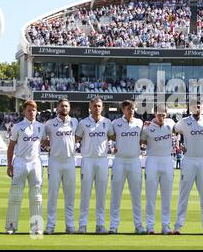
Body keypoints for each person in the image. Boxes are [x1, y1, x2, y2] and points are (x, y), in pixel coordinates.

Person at [173, 102, 203, 235]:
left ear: (201, 108)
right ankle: (178, 226)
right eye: (194, 106)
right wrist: (179, 143)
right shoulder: (184, 122)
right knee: (183, 194)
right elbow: (173, 129)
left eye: (198, 106)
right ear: (190, 108)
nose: (196, 109)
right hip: (188, 160)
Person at [5, 100, 46, 234]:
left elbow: (46, 141)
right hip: (20, 162)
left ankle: (36, 228)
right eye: (29, 110)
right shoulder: (18, 126)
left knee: (36, 197)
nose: (31, 112)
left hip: (36, 163)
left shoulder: (41, 126)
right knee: (15, 197)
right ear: (24, 111)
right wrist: (9, 165)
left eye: (34, 110)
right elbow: (11, 147)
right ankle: (11, 226)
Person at [75, 97, 114, 234]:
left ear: (102, 107)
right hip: (87, 160)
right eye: (94, 106)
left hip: (102, 160)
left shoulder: (107, 122)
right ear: (90, 108)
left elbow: (112, 137)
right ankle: (82, 225)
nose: (96, 108)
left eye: (99, 106)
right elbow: (76, 138)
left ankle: (100, 225)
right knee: (85, 194)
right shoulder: (83, 123)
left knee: (101, 194)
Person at [109, 100, 146, 234]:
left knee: (136, 196)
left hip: (135, 161)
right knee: (115, 195)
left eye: (133, 109)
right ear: (123, 109)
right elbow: (109, 137)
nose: (132, 111)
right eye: (129, 109)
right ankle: (113, 226)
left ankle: (139, 225)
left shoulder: (139, 123)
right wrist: (112, 147)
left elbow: (143, 138)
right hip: (119, 161)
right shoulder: (115, 123)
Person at [44, 99, 79, 234]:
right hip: (55, 161)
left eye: (66, 106)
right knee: (53, 195)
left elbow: (80, 136)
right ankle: (50, 226)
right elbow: (42, 138)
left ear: (69, 108)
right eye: (61, 106)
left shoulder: (74, 122)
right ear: (57, 108)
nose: (64, 108)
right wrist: (52, 145)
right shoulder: (50, 123)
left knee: (70, 196)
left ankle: (70, 225)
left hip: (70, 161)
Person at [140, 104, 176, 235]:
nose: (161, 117)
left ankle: (166, 226)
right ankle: (150, 226)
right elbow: (142, 141)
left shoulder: (171, 123)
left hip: (167, 160)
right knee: (151, 196)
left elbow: (178, 130)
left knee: (167, 196)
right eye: (159, 114)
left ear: (166, 114)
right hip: (152, 160)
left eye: (163, 115)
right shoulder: (147, 127)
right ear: (155, 113)